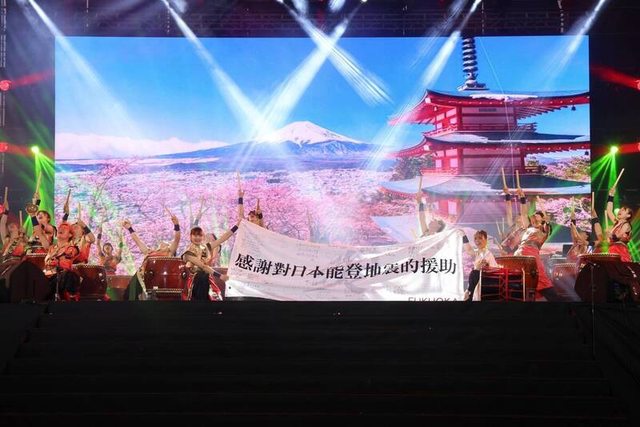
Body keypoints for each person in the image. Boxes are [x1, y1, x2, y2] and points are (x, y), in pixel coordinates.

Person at [513, 189, 562, 301]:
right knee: (521, 280)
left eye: (537, 216)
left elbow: (547, 228)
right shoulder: (529, 227)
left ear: (542, 219)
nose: (534, 217)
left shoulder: (543, 230)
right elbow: (524, 213)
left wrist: (547, 222)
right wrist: (522, 198)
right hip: (520, 254)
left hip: (532, 256)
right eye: (534, 216)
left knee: (539, 278)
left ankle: (557, 303)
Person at [121, 214, 181, 300]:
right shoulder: (149, 252)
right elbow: (138, 241)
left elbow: (177, 239)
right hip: (143, 277)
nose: (164, 242)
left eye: (167, 243)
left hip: (158, 279)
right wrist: (129, 228)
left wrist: (176, 225)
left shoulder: (169, 252)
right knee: (128, 295)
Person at [181, 223, 238, 301]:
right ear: (190, 236)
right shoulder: (188, 253)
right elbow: (203, 266)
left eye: (200, 235)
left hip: (207, 278)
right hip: (195, 282)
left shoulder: (205, 247)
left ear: (203, 237)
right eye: (195, 235)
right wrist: (220, 276)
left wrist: (237, 226)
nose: (197, 238)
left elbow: (222, 239)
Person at [43, 222, 81, 301]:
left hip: (61, 279)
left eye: (65, 228)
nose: (61, 229)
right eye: (60, 227)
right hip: (47, 278)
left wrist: (57, 262)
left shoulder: (71, 249)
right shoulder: (52, 248)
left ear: (70, 235)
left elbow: (65, 264)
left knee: (69, 275)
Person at [462, 230, 499, 301]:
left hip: (487, 280)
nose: (477, 240)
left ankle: (469, 294)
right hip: (477, 280)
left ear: (486, 240)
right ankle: (469, 293)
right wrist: (463, 236)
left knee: (474, 273)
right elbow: (468, 249)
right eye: (475, 238)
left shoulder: (488, 254)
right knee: (474, 273)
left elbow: (494, 270)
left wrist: (485, 267)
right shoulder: (477, 252)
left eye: (480, 238)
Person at [605, 186, 633, 262]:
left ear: (628, 215)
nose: (620, 210)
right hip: (613, 248)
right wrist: (611, 195)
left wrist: (610, 235)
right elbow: (609, 210)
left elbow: (618, 237)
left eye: (623, 210)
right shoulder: (616, 223)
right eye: (620, 209)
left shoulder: (626, 225)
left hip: (620, 250)